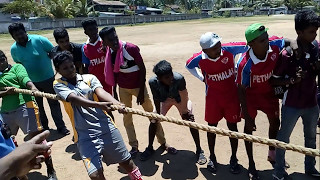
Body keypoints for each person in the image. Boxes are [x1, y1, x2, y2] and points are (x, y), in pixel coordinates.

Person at [52, 51, 143, 180]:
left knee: (126, 163)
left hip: (106, 127)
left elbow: (101, 92)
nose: (70, 70)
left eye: (71, 66)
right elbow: (73, 98)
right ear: (58, 70)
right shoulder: (58, 84)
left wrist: (117, 103)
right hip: (84, 135)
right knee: (95, 175)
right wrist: (99, 105)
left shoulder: (89, 78)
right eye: (65, 68)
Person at [99, 26, 173, 158]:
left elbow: (142, 69)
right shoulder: (109, 52)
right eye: (110, 40)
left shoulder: (130, 49)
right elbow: (115, 73)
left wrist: (140, 92)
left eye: (115, 37)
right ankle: (134, 146)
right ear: (104, 42)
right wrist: (115, 92)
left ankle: (163, 142)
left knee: (152, 115)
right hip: (123, 89)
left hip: (138, 87)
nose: (115, 42)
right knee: (127, 118)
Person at [186, 32, 248, 174]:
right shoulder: (199, 58)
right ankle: (212, 157)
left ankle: (234, 158)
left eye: (219, 44)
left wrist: (238, 66)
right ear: (205, 50)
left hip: (231, 97)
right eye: (214, 47)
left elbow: (247, 46)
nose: (218, 48)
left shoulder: (228, 49)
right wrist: (202, 78)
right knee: (212, 127)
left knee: (232, 128)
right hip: (213, 98)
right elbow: (188, 65)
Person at [271, 10, 320, 179]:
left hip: (312, 102)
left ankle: (310, 168)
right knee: (283, 138)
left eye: (316, 31)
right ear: (299, 32)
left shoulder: (317, 48)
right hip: (292, 104)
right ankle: (278, 171)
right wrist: (292, 80)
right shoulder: (287, 54)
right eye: (311, 31)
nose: (315, 35)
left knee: (311, 138)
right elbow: (274, 80)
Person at [236, 23, 287, 179]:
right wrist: (247, 115)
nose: (267, 42)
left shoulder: (275, 46)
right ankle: (251, 163)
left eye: (266, 38)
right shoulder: (244, 64)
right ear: (251, 44)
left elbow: (290, 41)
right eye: (262, 41)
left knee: (275, 122)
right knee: (248, 128)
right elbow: (241, 90)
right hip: (250, 97)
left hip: (268, 95)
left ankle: (272, 153)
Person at [0, 50, 58, 180]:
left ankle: (50, 169)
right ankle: (17, 172)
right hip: (6, 111)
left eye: (2, 58)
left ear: (5, 58)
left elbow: (24, 79)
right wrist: (5, 93)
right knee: (7, 141)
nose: (1, 62)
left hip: (25, 105)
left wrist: (32, 87)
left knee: (37, 138)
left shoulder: (16, 67)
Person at [8, 22, 69, 135]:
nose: (20, 37)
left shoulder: (40, 40)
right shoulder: (14, 49)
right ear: (13, 37)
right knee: (38, 107)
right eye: (16, 35)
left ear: (25, 31)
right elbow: (19, 65)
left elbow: (54, 52)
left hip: (48, 79)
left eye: (21, 33)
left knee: (54, 103)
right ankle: (45, 128)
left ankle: (61, 127)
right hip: (31, 83)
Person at [144, 60, 206, 164]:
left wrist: (185, 111)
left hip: (180, 99)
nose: (171, 78)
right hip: (164, 100)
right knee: (153, 120)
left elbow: (184, 95)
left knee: (191, 120)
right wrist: (158, 114)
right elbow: (156, 98)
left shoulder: (179, 78)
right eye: (167, 77)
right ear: (159, 78)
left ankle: (199, 150)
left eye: (171, 75)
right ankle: (150, 147)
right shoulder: (153, 82)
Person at [81, 19, 113, 95]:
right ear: (85, 32)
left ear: (97, 29)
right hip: (94, 81)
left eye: (95, 29)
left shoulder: (105, 42)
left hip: (107, 79)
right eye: (90, 30)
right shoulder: (84, 47)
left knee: (110, 99)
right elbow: (86, 66)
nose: (93, 32)